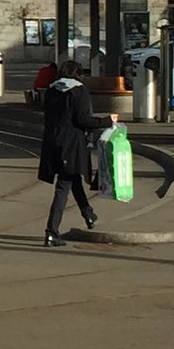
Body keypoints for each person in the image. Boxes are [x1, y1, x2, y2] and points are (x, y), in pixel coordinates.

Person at [38, 60, 118, 247]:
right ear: (78, 74)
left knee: (73, 180)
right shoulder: (78, 91)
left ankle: (88, 214)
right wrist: (107, 120)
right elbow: (83, 119)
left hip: (52, 143)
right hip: (71, 145)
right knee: (63, 187)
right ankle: (51, 232)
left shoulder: (51, 91)